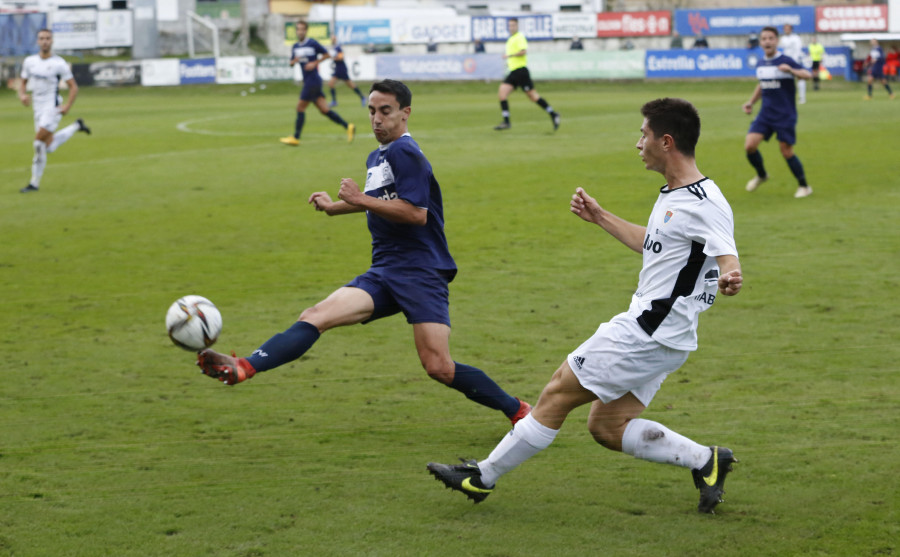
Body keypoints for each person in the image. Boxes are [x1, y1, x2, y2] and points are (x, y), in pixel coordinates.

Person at [428, 97, 743, 515]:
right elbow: (655, 245)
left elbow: (728, 254)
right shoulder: (676, 194)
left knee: (557, 392)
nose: (638, 143)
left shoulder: (704, 201)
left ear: (666, 142)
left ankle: (482, 477)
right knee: (607, 426)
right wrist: (600, 217)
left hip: (647, 330)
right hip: (670, 335)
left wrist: (729, 275)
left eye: (644, 135)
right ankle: (707, 460)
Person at [198, 79, 532, 427]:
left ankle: (519, 410)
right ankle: (245, 367)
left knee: (439, 367)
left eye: (385, 111)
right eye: (371, 111)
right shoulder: (377, 155)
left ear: (405, 113)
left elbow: (416, 213)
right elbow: (384, 201)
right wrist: (336, 207)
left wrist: (358, 199)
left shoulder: (406, 152)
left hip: (420, 272)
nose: (376, 119)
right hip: (385, 271)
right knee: (316, 314)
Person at [742, 26, 812, 199]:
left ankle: (804, 186)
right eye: (764, 38)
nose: (767, 41)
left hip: (785, 114)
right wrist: (751, 102)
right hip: (766, 114)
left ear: (776, 41)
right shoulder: (760, 63)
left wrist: (791, 71)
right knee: (750, 145)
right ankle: (762, 175)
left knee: (786, 151)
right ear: (760, 42)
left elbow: (807, 75)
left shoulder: (785, 60)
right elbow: (762, 84)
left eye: (771, 38)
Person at [18, 28, 90, 193]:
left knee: (38, 143)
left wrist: (67, 106)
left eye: (48, 38)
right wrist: (22, 95)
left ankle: (33, 183)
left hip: (52, 108)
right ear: (37, 41)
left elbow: (73, 87)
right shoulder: (29, 62)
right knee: (47, 147)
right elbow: (22, 82)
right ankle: (77, 126)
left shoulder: (59, 63)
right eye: (42, 38)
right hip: (37, 108)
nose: (45, 41)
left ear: (52, 41)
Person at [280, 21, 355, 147]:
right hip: (309, 81)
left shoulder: (312, 43)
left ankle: (296, 137)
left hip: (313, 80)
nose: (300, 32)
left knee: (300, 108)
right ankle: (348, 126)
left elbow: (327, 54)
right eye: (298, 29)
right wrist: (294, 61)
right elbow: (291, 63)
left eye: (302, 29)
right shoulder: (295, 47)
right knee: (325, 110)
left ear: (306, 30)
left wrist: (315, 63)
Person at [494, 18, 560, 132]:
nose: (511, 28)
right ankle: (506, 121)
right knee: (502, 93)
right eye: (510, 26)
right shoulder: (510, 39)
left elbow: (523, 51)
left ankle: (553, 114)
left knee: (533, 97)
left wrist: (509, 55)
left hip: (521, 72)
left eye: (513, 25)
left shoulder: (519, 37)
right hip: (513, 72)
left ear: (517, 26)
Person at [326, 36, 366, 108]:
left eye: (333, 39)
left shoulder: (338, 48)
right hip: (338, 68)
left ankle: (362, 97)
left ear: (335, 40)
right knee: (332, 84)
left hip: (341, 69)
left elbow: (341, 57)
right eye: (331, 39)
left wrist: (333, 57)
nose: (332, 40)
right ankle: (334, 101)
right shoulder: (334, 48)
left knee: (350, 85)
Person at [778, 24, 806, 104]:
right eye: (785, 28)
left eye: (788, 28)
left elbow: (798, 49)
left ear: (791, 29)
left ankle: (802, 97)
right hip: (785, 61)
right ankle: (785, 97)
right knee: (785, 79)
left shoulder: (796, 38)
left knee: (800, 78)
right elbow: (782, 50)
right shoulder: (783, 39)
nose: (786, 30)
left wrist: (794, 61)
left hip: (795, 61)